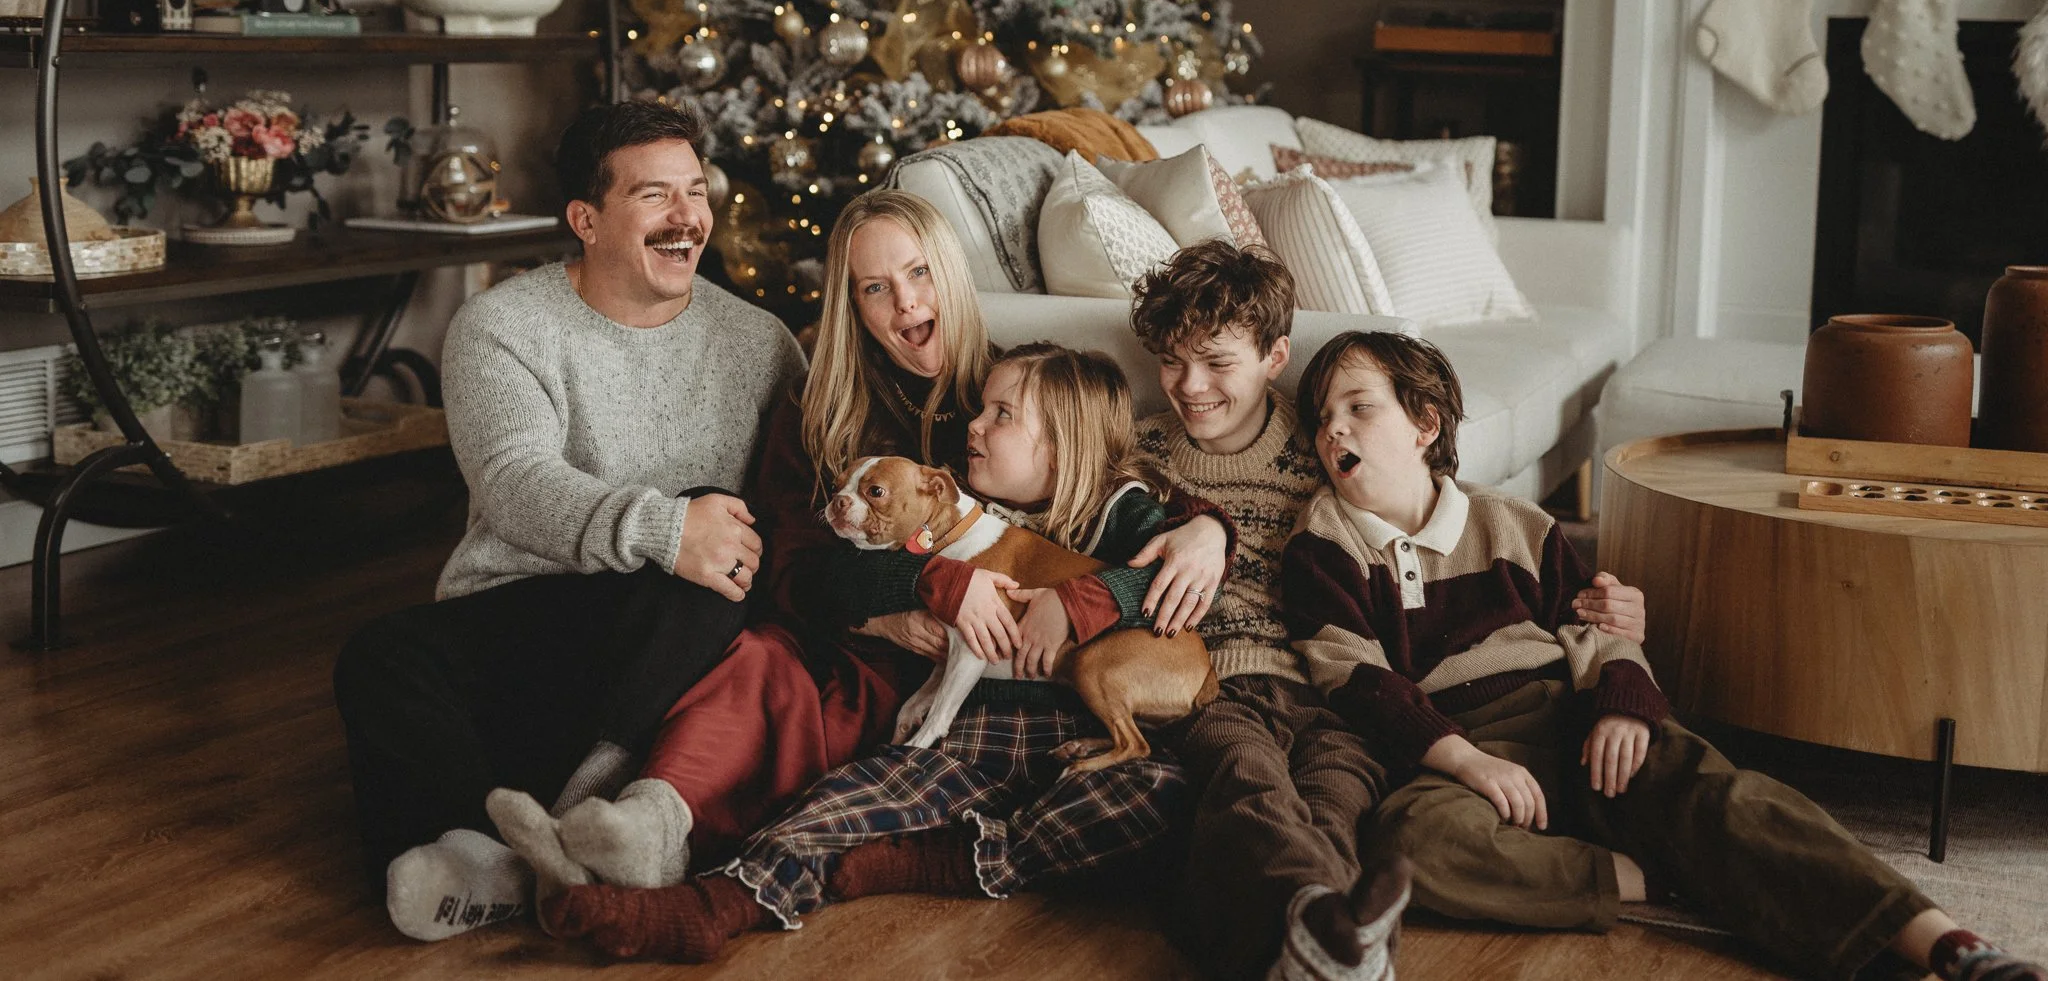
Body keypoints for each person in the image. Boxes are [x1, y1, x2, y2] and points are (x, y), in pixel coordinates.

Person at [484, 192, 1233, 894]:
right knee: (757, 659)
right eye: (875, 288)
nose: (906, 301)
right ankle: (644, 821)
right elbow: (792, 570)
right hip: (839, 630)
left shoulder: (1009, 388)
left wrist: (1205, 525)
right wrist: (918, 590)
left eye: (919, 273)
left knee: (805, 703)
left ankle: (636, 836)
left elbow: (1113, 476)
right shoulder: (820, 415)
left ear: (950, 275)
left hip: (931, 671)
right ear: (852, 306)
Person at [1283, 330, 2048, 981]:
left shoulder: (1510, 521)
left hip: (1570, 710)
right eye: (1322, 420)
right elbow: (1353, 672)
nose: (1334, 433)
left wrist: (1623, 705)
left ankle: (1945, 941)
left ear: (1424, 423)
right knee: (1410, 842)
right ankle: (1652, 877)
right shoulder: (1325, 543)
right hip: (1454, 745)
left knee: (1728, 797)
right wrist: (1465, 761)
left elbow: (1597, 625)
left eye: (1359, 408)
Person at [542, 344, 1229, 962]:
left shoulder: (1127, 511)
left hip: (1076, 726)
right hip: (977, 730)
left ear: (1064, 442)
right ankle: (706, 906)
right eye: (980, 409)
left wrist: (1157, 558)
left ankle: (945, 861)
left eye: (1001, 415)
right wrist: (912, 603)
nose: (975, 426)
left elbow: (1168, 582)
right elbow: (839, 573)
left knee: (1160, 798)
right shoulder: (952, 522)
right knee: (844, 801)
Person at [330, 100, 805, 941]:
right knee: (378, 655)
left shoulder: (761, 342)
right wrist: (660, 528)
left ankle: (584, 802)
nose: (687, 216)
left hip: (677, 649)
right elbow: (514, 481)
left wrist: (688, 535)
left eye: (695, 191)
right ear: (585, 219)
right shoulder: (501, 327)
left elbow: (797, 501)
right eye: (655, 195)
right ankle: (479, 860)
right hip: (533, 616)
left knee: (720, 535)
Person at [1129, 241, 1647, 981]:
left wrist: (1603, 606)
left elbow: (1433, 516)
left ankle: (1326, 943)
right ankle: (1324, 934)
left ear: (1276, 355)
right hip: (1214, 681)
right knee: (1249, 783)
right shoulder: (1142, 455)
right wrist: (1204, 524)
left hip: (1336, 688)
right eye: (1171, 361)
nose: (1189, 384)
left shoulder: (1325, 449)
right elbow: (1083, 525)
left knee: (1337, 803)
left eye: (1214, 361)